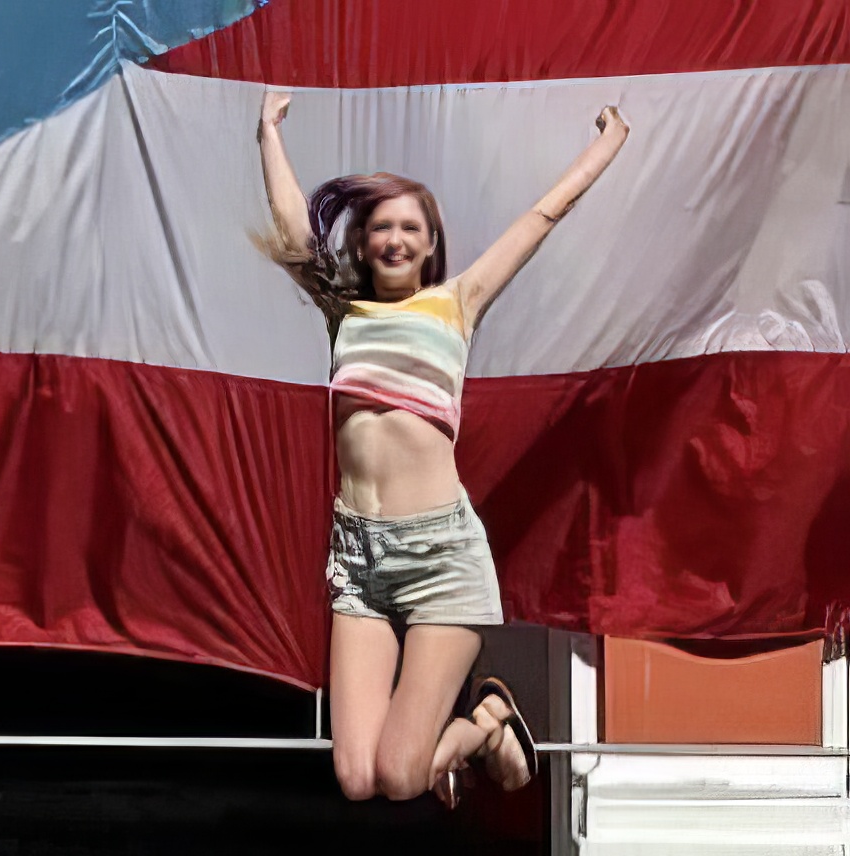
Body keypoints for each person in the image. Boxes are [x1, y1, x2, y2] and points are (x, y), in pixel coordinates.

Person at [257, 91, 629, 808]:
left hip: (439, 557)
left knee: (403, 776)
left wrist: (607, 145)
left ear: (431, 246)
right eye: (381, 228)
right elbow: (293, 232)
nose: (394, 239)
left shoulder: (456, 303)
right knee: (357, 778)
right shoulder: (345, 315)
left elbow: (540, 219)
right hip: (358, 559)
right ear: (364, 244)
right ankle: (479, 731)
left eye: (410, 229)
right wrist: (267, 134)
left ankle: (487, 724)